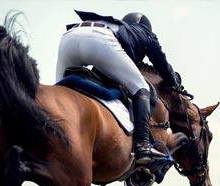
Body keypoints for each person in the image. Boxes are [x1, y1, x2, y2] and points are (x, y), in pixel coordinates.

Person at [55, 10, 181, 164]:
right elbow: (161, 63)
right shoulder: (146, 33)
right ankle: (142, 145)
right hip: (100, 40)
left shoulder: (118, 26)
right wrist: (173, 79)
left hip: (69, 38)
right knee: (141, 87)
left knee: (58, 96)